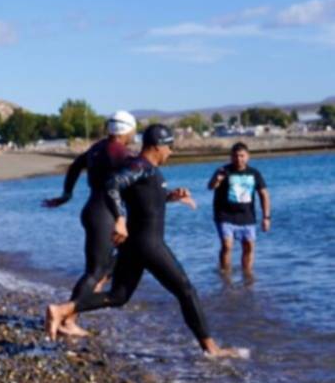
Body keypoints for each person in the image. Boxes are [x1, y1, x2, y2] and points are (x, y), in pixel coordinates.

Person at [47, 125, 245, 358]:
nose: (171, 152)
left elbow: (145, 199)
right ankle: (212, 349)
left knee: (118, 296)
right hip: (148, 243)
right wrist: (120, 218)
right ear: (158, 146)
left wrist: (171, 196)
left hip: (135, 245)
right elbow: (112, 184)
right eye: (170, 147)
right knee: (186, 291)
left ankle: (62, 310)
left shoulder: (144, 168)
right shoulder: (140, 166)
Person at [42, 110, 137, 336]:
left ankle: (78, 306)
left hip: (95, 211)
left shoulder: (97, 148)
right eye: (134, 130)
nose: (134, 134)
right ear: (127, 130)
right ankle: (67, 319)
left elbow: (75, 166)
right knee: (94, 272)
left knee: (120, 259)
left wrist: (67, 194)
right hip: (104, 216)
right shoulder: (120, 153)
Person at [207, 142, 270, 276]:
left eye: (242, 156)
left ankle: (247, 275)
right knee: (227, 246)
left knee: (249, 247)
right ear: (231, 157)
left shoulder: (254, 173)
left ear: (248, 156)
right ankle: (225, 274)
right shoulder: (223, 171)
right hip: (225, 215)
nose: (239, 159)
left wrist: (266, 217)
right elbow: (210, 187)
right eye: (235, 156)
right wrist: (217, 180)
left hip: (247, 216)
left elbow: (264, 194)